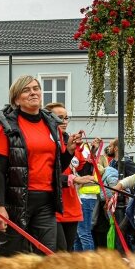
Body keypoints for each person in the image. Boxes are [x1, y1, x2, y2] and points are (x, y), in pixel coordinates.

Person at [0, 75, 82, 256]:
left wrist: (69, 152)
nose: (33, 92)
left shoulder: (52, 124)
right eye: (26, 90)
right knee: (11, 258)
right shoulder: (7, 126)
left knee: (47, 255)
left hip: (46, 202)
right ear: (17, 99)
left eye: (36, 88)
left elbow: (57, 167)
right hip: (16, 202)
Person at [45, 102, 85, 252]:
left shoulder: (69, 140)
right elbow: (47, 174)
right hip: (53, 207)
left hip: (72, 205)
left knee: (68, 252)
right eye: (59, 117)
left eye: (66, 117)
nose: (64, 121)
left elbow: (81, 168)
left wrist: (92, 152)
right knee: (59, 252)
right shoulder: (47, 142)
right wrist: (72, 180)